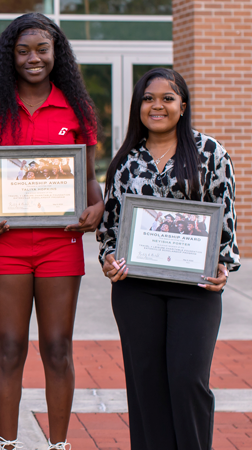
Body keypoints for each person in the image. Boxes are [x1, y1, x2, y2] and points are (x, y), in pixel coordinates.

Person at [0, 13, 103, 450]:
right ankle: (8, 444)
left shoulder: (77, 108)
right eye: (22, 50)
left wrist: (97, 206)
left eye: (42, 49)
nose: (33, 58)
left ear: (56, 53)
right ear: (9, 56)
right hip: (5, 244)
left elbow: (89, 179)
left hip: (60, 243)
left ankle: (58, 445)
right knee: (9, 347)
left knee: (58, 348)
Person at [99, 68, 238, 450]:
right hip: (136, 288)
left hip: (195, 285)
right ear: (138, 106)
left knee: (187, 378)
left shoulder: (210, 152)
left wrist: (223, 265)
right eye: (148, 98)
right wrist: (109, 258)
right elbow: (110, 229)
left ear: (183, 106)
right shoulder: (126, 160)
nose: (156, 105)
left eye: (167, 98)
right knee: (146, 382)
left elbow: (224, 217)